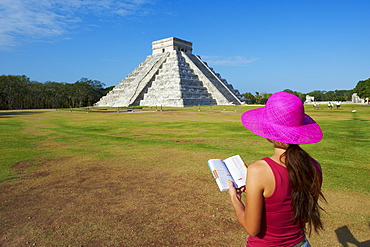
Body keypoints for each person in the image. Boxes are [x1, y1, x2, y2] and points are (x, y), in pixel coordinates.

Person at [228, 92, 326, 247]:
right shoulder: (314, 167)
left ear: (268, 132)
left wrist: (235, 198)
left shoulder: (258, 171)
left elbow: (252, 229)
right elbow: (304, 216)